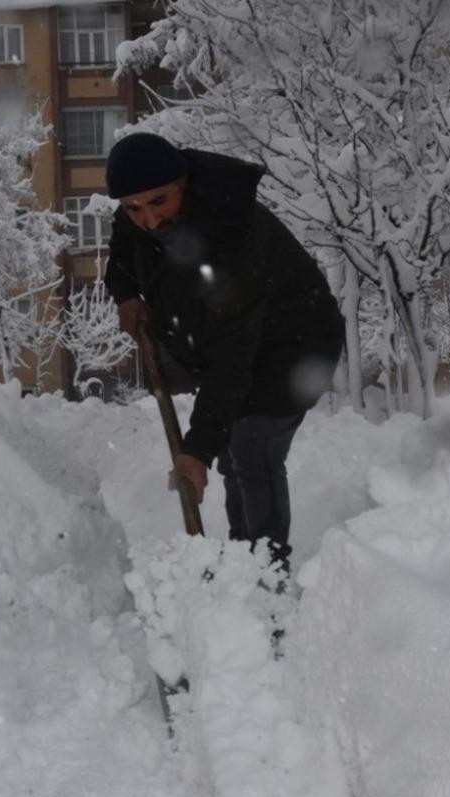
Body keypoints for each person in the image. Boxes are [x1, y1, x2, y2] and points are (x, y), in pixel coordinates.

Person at [103, 132, 344, 575]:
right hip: (238, 339)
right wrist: (126, 296)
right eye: (134, 207)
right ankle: (242, 557)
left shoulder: (229, 234)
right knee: (234, 448)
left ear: (185, 184)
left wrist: (195, 450)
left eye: (159, 202)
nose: (150, 220)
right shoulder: (137, 217)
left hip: (297, 343)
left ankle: (267, 567)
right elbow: (123, 248)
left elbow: (232, 356)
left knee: (252, 444)